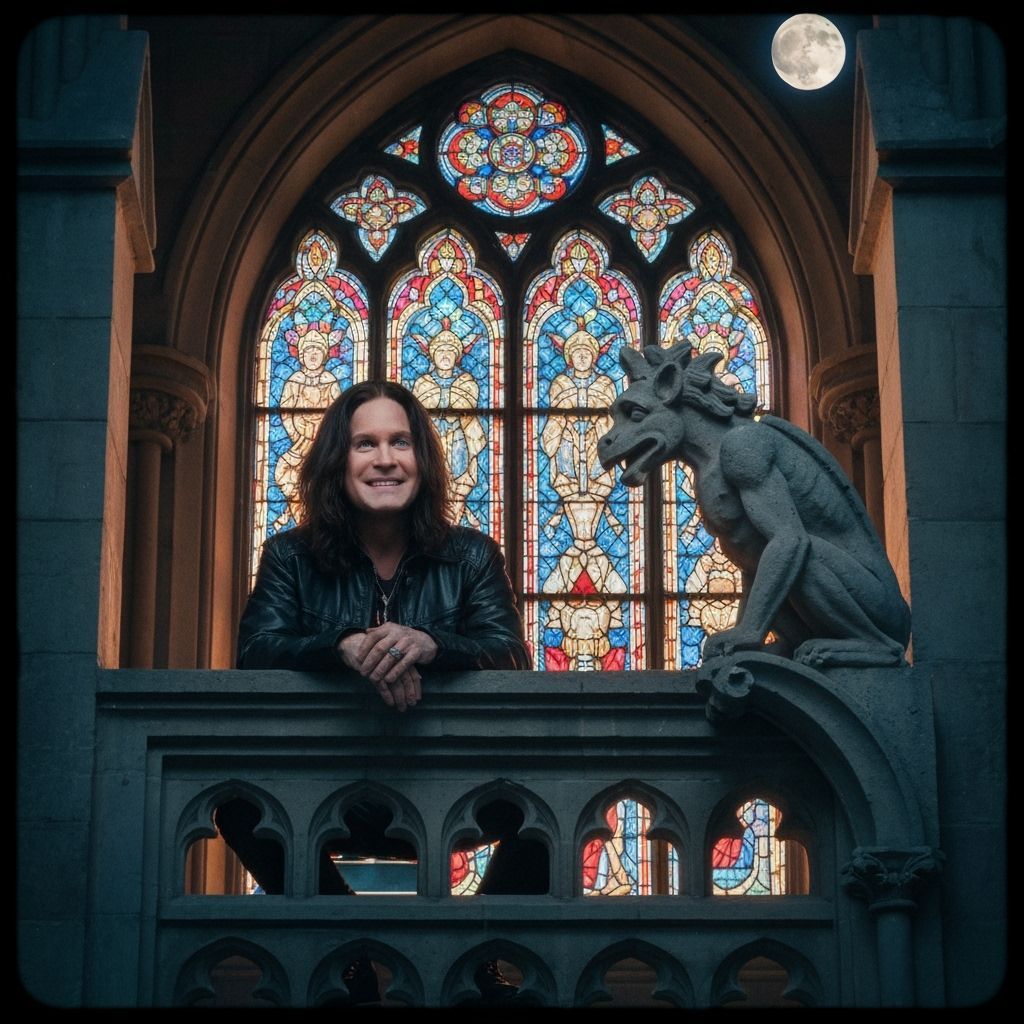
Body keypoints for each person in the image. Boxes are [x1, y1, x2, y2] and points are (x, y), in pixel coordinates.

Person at [223, 380, 538, 1002]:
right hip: (328, 788)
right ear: (339, 461)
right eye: (365, 444)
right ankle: (349, 954)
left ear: (422, 458)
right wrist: (343, 646)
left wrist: (430, 643)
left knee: (547, 814)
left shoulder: (471, 556)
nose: (385, 459)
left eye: (400, 442)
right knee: (239, 810)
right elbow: (255, 653)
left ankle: (477, 955)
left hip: (453, 785)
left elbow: (511, 654)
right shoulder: (289, 556)